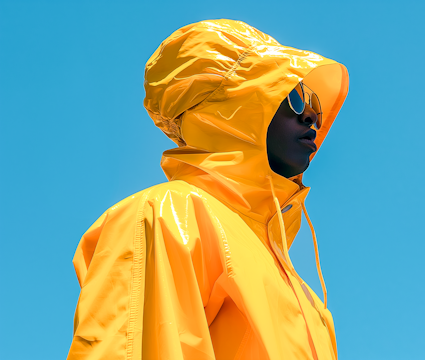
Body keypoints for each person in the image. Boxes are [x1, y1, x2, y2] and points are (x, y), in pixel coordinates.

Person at [66, 19, 349, 360]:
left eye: (316, 104)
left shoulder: (306, 297)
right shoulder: (167, 216)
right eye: (293, 96)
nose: (312, 118)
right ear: (229, 108)